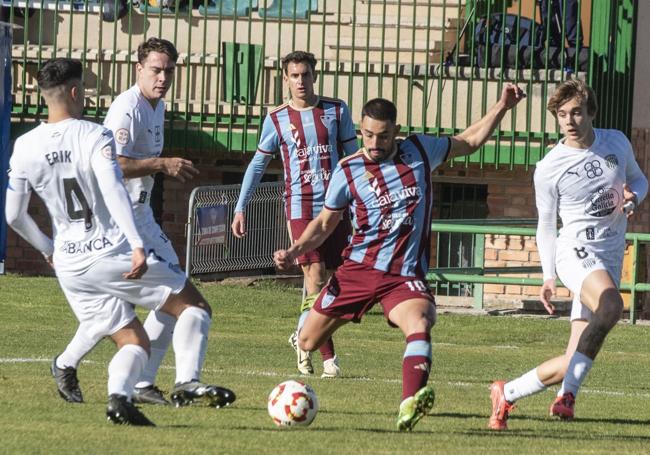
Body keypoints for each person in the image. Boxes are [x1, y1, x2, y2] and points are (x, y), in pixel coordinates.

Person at [274, 85, 525, 431]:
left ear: (396, 132)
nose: (375, 144)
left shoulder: (420, 150)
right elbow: (323, 224)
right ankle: (312, 312)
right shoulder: (348, 170)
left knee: (420, 323)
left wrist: (502, 106)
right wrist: (294, 251)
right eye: (368, 136)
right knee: (307, 341)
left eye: (383, 136)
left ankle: (409, 404)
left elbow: (469, 142)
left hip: (402, 275)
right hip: (357, 270)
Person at [5, 58, 234, 425]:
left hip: (69, 265)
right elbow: (113, 190)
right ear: (77, 92)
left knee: (134, 340)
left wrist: (48, 249)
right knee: (194, 307)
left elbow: (14, 215)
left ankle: (120, 400)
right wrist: (136, 244)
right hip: (109, 252)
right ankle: (188, 381)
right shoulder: (95, 135)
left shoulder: (25, 146)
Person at [488, 79, 647, 430]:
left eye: (576, 112)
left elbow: (639, 180)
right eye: (562, 115)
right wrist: (548, 274)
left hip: (608, 255)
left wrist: (634, 197)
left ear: (591, 112)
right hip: (575, 251)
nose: (569, 120)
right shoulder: (549, 166)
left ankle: (507, 392)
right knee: (611, 307)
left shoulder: (616, 142)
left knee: (573, 357)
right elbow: (546, 225)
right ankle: (567, 397)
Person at [231, 51, 358, 378]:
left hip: (335, 208)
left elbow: (354, 159)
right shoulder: (276, 119)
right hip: (300, 207)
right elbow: (258, 164)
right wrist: (241, 205)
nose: (301, 81)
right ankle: (323, 354)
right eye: (294, 76)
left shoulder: (336, 110)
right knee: (314, 277)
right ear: (285, 79)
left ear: (314, 75)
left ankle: (304, 336)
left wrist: (361, 202)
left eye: (305, 75)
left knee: (335, 284)